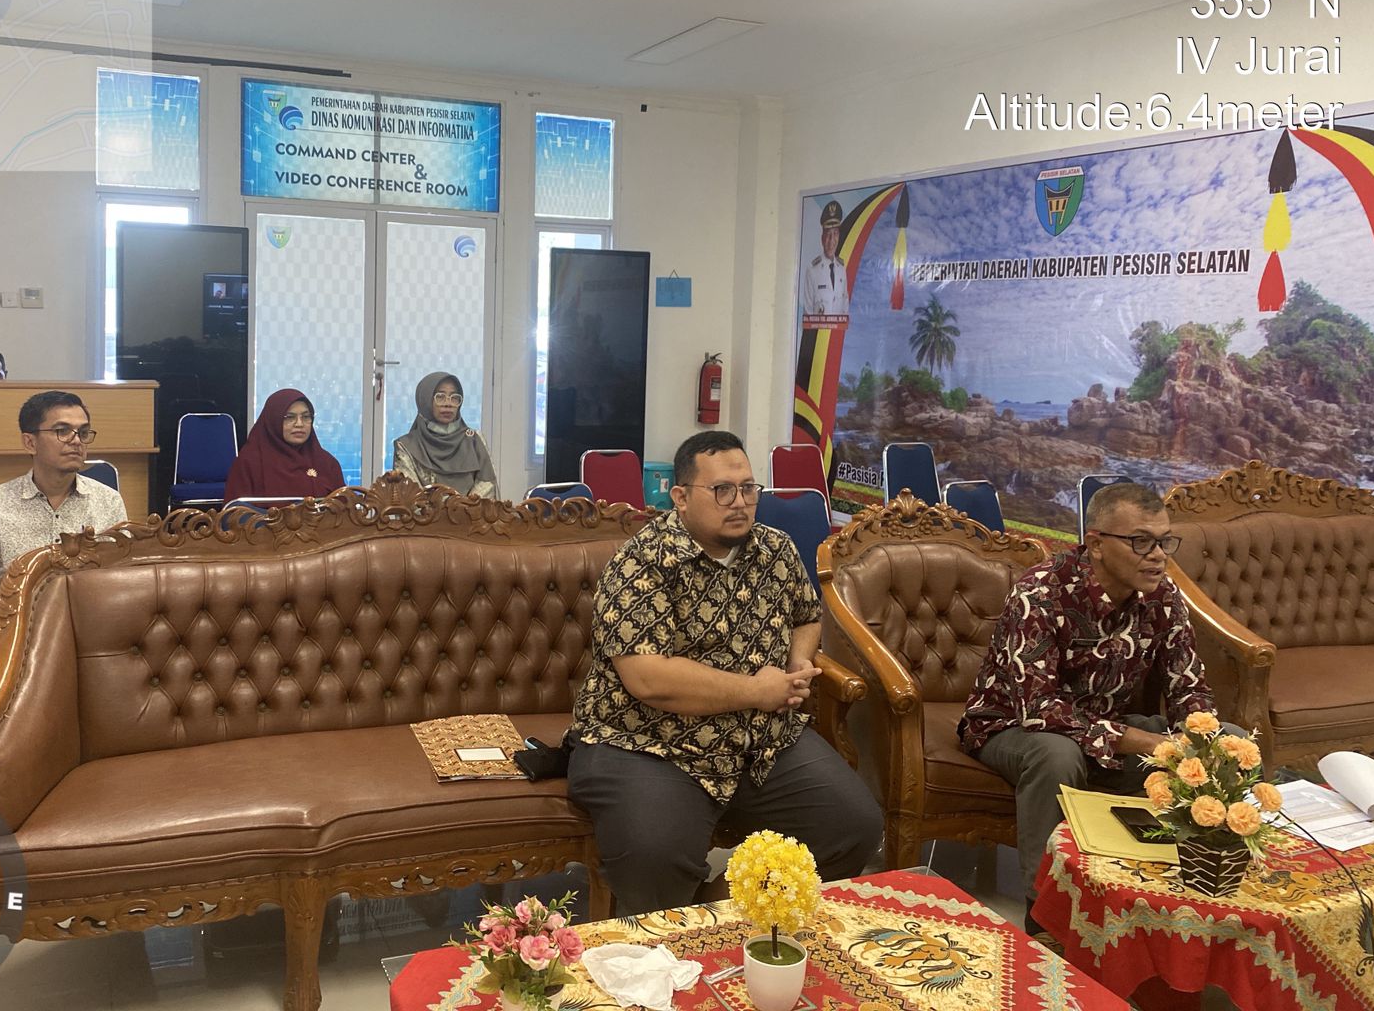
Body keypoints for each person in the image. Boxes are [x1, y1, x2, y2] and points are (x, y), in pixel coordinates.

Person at [568, 430, 882, 914]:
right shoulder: (642, 561)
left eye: (749, 488)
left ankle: (724, 909)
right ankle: (678, 932)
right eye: (722, 490)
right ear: (680, 497)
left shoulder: (775, 550)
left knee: (853, 827)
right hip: (648, 741)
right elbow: (648, 678)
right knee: (655, 856)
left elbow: (806, 616)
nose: (740, 502)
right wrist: (757, 691)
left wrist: (799, 659)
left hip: (762, 736)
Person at [958, 481, 1220, 917]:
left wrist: (1200, 736)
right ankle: (1047, 913)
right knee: (1057, 755)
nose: (1158, 555)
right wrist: (1145, 742)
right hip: (1010, 728)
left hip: (1107, 731)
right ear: (1097, 545)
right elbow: (1039, 709)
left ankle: (1185, 899)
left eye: (1164, 541)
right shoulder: (1041, 593)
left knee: (1224, 742)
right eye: (1141, 542)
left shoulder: (1163, 595)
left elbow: (1188, 686)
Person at [0, 390, 127, 672]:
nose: (76, 441)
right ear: (30, 442)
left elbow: (122, 580)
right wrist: (27, 627)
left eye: (82, 432)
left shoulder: (108, 501)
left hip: (91, 637)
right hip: (13, 636)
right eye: (62, 431)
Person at [223, 388, 346, 502]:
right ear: (273, 420)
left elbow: (345, 509)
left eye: (306, 417)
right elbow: (235, 515)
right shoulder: (250, 463)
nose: (299, 424)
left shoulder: (326, 463)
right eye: (290, 417)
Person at [391, 372, 497, 498]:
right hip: (426, 511)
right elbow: (410, 495)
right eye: (440, 397)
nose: (448, 404)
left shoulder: (474, 440)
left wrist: (463, 506)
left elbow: (487, 484)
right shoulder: (406, 446)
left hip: (470, 510)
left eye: (454, 398)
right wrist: (443, 508)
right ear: (425, 400)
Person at [800, 200, 848, 317]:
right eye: (828, 234)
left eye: (835, 234)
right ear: (822, 238)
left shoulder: (842, 270)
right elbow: (808, 315)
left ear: (839, 237)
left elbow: (845, 311)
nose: (831, 240)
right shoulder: (812, 271)